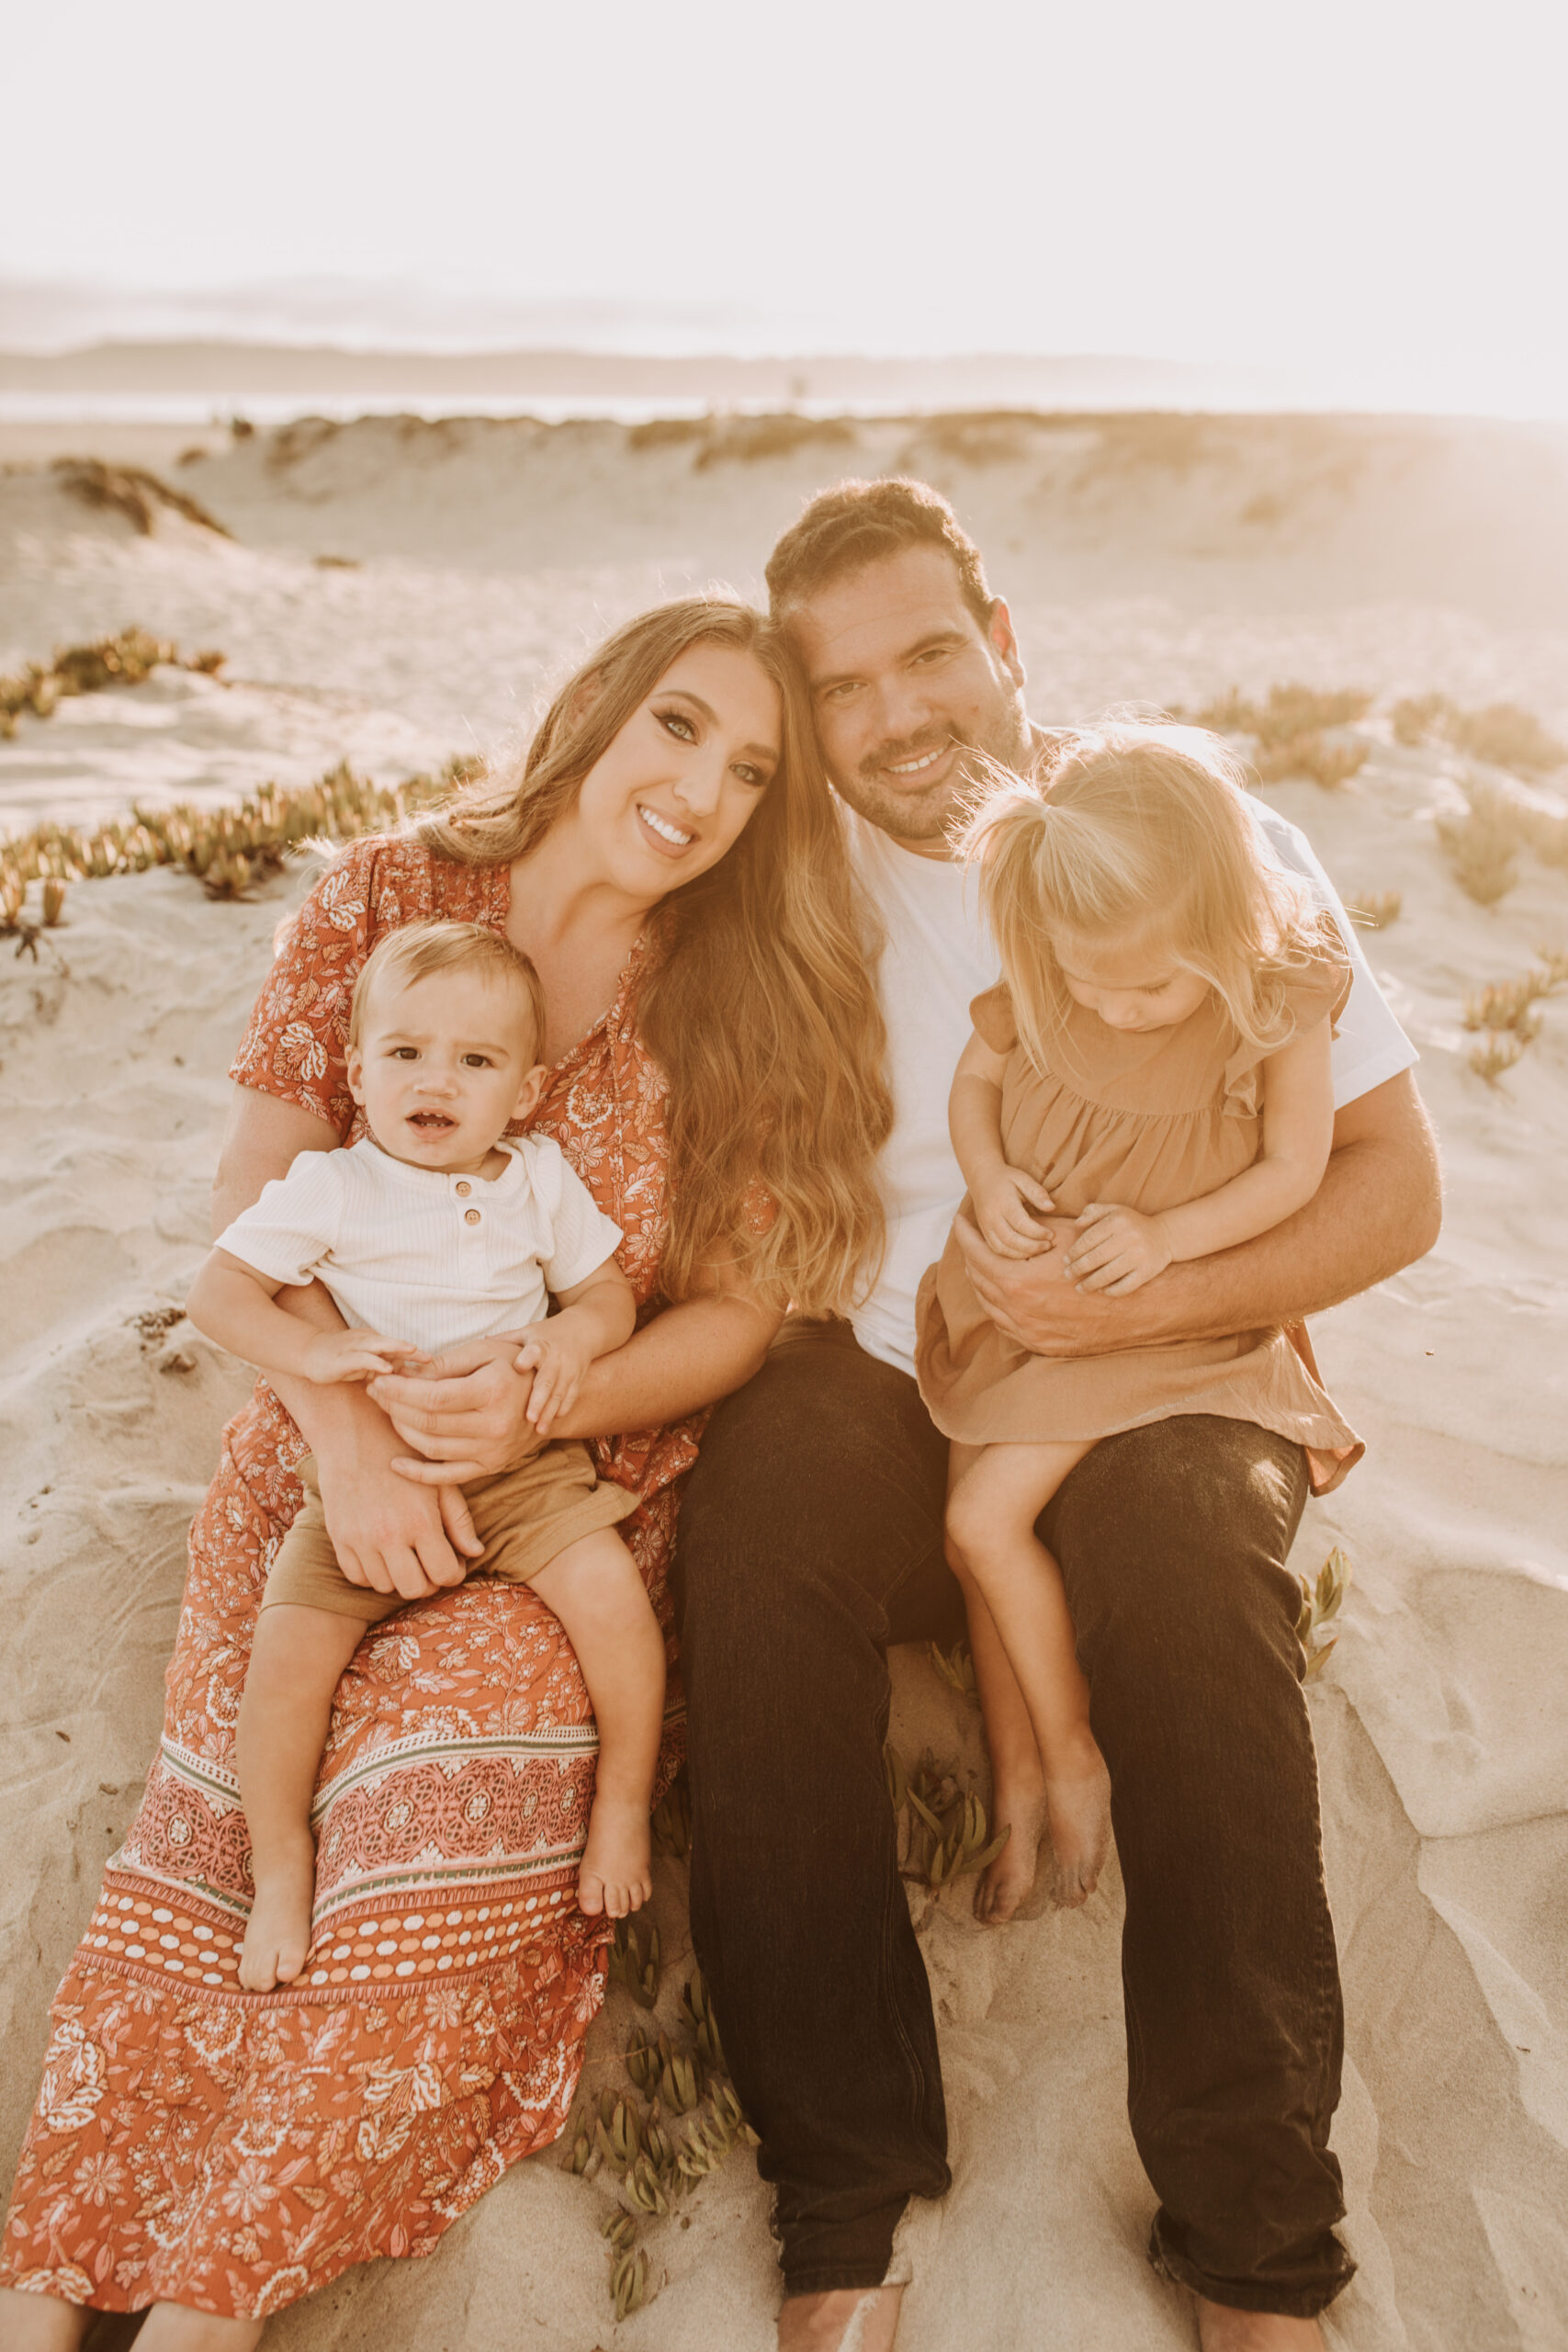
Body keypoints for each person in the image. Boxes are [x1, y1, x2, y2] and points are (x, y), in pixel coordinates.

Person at [0, 597, 891, 2348]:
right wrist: (348, 1442)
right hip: (324, 1461)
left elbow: (737, 1315)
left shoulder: (739, 997)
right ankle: (50, 2277)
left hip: (577, 1495)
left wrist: (554, 1409)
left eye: (752, 770)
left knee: (410, 1827)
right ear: (603, 710)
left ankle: (211, 2301)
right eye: (681, 726)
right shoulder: (380, 898)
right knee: (212, 1837)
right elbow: (254, 1219)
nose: (701, 786)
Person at [671, 481, 1442, 2352]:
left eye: (930, 651)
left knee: (1186, 1561)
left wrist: (1144, 1292)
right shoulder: (782, 883)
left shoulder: (1194, 843)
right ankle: (840, 2202)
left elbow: (1386, 1188)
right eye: (841, 686)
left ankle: (1258, 2244)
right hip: (896, 1357)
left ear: (1002, 642)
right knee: (757, 1525)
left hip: (1164, 1354)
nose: (899, 714)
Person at [917, 730, 1363, 1928]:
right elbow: (972, 1086)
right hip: (1018, 1292)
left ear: (1226, 927)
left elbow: (1292, 1170)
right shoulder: (1051, 966)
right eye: (1088, 981)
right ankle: (1014, 1776)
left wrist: (1168, 1240)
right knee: (970, 1534)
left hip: (1149, 1321)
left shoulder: (1276, 1000)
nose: (1111, 1006)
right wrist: (987, 1175)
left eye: (1146, 989)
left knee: (975, 1519)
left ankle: (1069, 1751)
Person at [188, 919, 664, 1994]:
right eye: (404, 1052)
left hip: (526, 1467)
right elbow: (218, 1292)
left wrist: (566, 1339)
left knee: (612, 1603)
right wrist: (313, 1350)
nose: (433, 1080)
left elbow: (605, 1294)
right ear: (356, 1072)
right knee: (286, 1664)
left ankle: (623, 1805)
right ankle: (280, 1865)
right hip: (376, 1471)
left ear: (527, 1092)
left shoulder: (535, 1179)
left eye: (475, 1060)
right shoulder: (333, 1186)